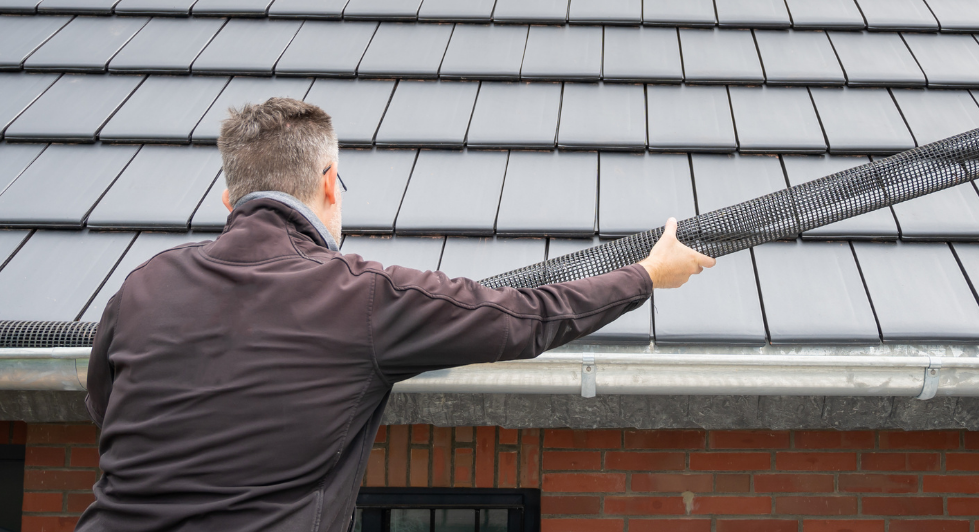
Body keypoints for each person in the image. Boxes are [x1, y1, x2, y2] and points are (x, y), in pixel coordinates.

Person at [79, 97, 715, 532]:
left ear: (228, 199)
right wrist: (647, 275)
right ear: (329, 182)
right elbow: (526, 317)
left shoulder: (142, 285)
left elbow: (107, 411)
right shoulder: (361, 297)